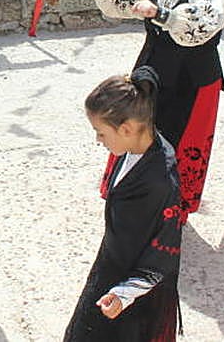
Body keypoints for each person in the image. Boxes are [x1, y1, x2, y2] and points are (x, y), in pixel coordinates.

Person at [89, 0, 224, 218]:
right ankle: (134, 197)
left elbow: (206, 20)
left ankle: (171, 209)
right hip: (153, 70)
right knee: (139, 131)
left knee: (181, 141)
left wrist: (163, 14)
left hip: (192, 79)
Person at [64, 68, 181, 341]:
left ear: (126, 129)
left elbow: (165, 249)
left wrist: (124, 293)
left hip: (132, 294)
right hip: (112, 264)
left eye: (101, 133)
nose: (98, 140)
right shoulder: (136, 147)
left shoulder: (159, 183)